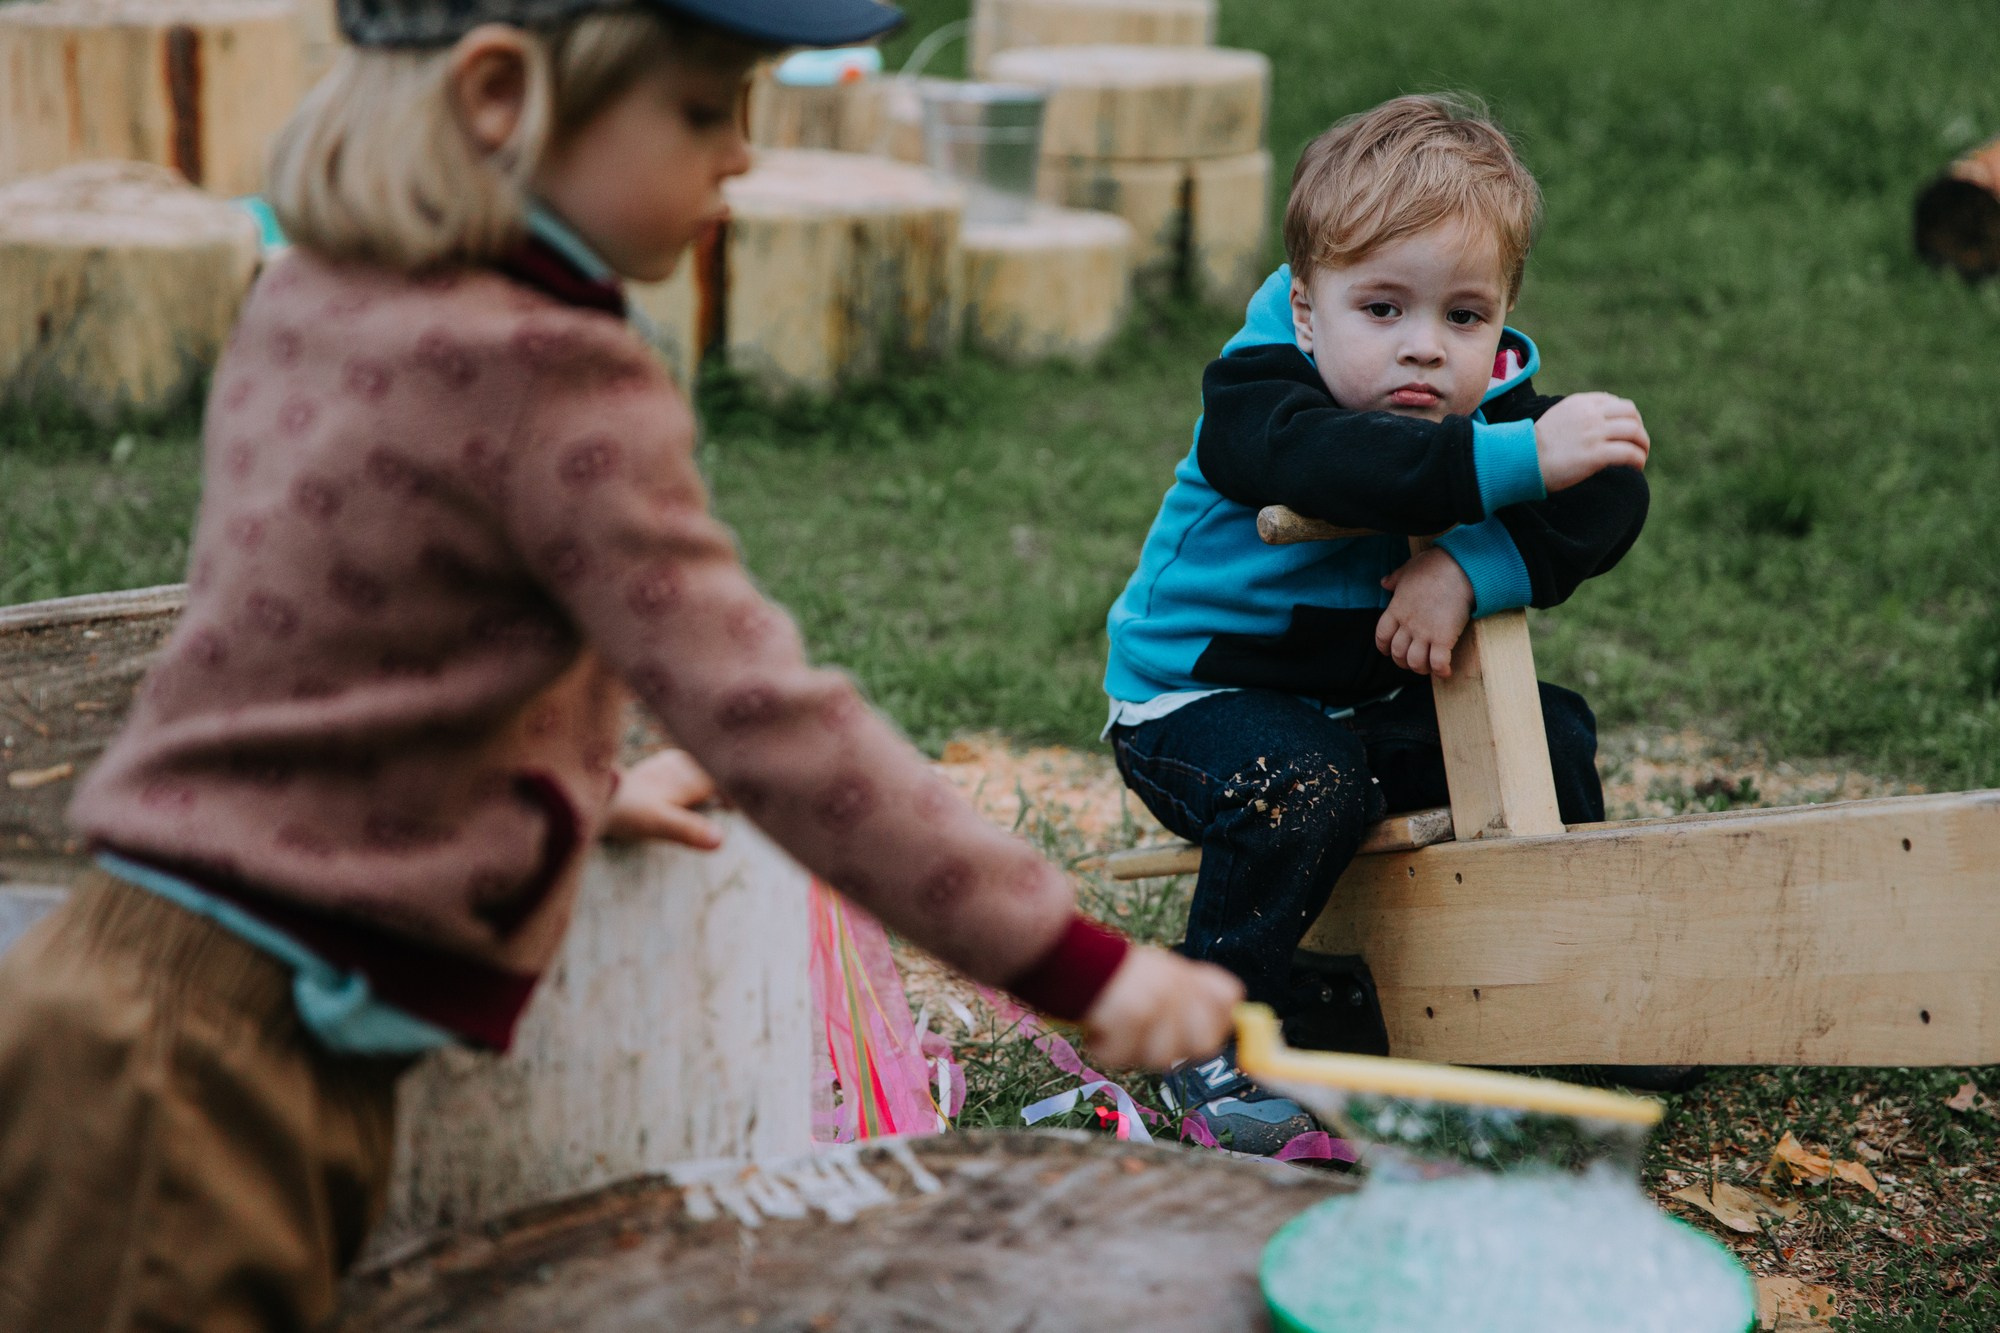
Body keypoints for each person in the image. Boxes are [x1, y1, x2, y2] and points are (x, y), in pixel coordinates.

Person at [0, 1, 1243, 1324]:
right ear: (499, 96)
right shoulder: (556, 375)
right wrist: (1075, 963)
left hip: (129, 992)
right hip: (213, 1079)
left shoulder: (317, 294)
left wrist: (566, 794)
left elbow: (343, 658)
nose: (742, 154)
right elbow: (770, 723)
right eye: (704, 109)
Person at [1103, 94, 1651, 1154]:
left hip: (1348, 706)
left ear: (1502, 317)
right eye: (1383, 308)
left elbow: (1610, 486)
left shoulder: (1482, 400)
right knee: (1306, 781)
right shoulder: (1259, 397)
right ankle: (1209, 1035)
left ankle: (1586, 981)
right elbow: (1345, 467)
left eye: (1463, 316)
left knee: (1551, 731)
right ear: (1307, 309)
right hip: (1193, 706)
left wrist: (1469, 567)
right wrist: (1517, 463)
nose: (1423, 351)